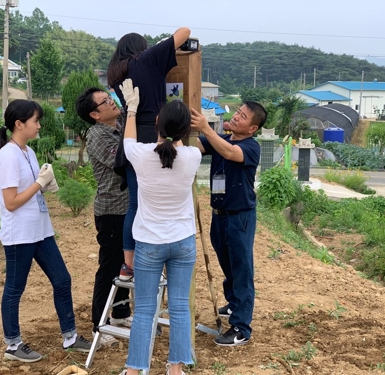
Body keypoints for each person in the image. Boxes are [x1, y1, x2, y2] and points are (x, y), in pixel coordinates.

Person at [0, 99, 91, 363]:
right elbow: (11, 202)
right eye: (35, 120)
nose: (39, 125)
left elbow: (31, 189)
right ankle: (13, 344)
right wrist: (38, 183)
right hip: (20, 234)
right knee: (14, 288)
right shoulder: (8, 155)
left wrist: (45, 184)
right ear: (19, 124)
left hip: (40, 230)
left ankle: (70, 337)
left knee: (62, 279)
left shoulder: (28, 152)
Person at [119, 80, 201, 375]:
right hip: (182, 242)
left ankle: (133, 370)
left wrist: (131, 110)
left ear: (157, 123)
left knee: (143, 311)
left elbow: (127, 143)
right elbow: (175, 147)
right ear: (185, 132)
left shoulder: (141, 156)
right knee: (179, 307)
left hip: (149, 243)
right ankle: (175, 369)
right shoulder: (193, 157)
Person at [107, 27, 191, 281]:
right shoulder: (149, 58)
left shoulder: (116, 73)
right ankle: (165, 254)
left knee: (135, 203)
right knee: (165, 198)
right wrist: (159, 45)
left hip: (131, 135)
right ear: (140, 48)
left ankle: (128, 265)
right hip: (156, 133)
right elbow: (185, 31)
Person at [190, 101, 268, 347]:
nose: (236, 117)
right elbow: (196, 147)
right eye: (237, 112)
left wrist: (206, 128)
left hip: (239, 217)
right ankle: (234, 304)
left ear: (252, 128)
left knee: (242, 269)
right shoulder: (223, 139)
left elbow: (229, 152)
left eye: (243, 116)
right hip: (219, 215)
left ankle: (241, 327)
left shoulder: (250, 147)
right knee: (228, 263)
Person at [75, 87, 133, 347]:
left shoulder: (119, 124)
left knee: (126, 267)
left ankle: (120, 315)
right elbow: (122, 160)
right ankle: (100, 324)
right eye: (105, 102)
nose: (112, 103)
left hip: (127, 209)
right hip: (111, 212)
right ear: (95, 114)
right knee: (109, 268)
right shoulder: (97, 135)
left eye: (111, 98)